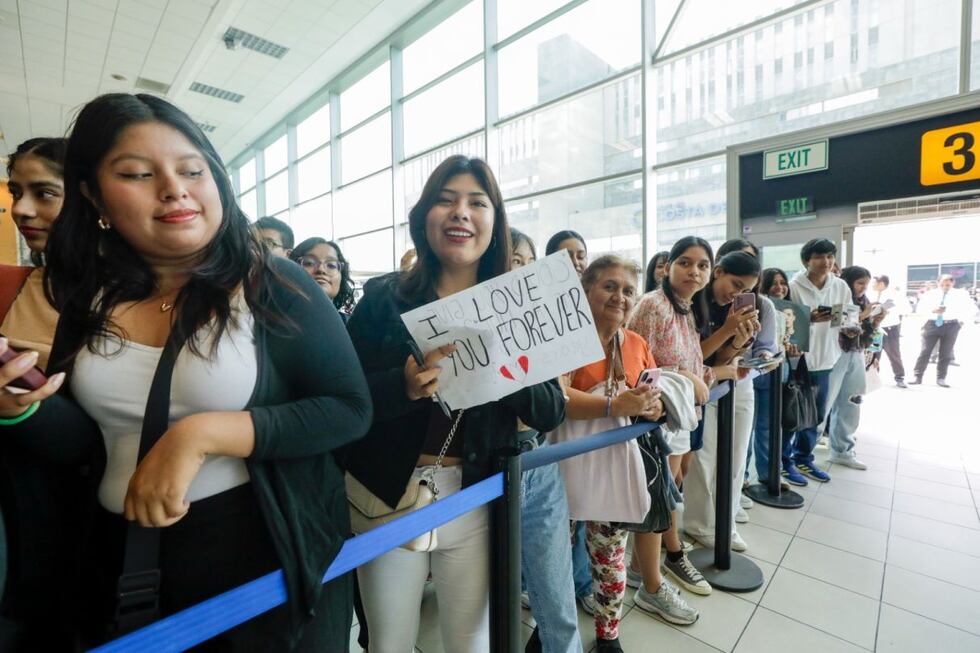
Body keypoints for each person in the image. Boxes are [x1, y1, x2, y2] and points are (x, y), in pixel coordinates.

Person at [0, 93, 373, 650]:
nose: (174, 188)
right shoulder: (88, 295)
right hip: (115, 567)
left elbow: (347, 408)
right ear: (92, 195)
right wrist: (23, 407)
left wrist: (201, 435)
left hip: (254, 571)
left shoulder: (275, 286)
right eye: (137, 174)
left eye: (192, 169)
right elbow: (92, 442)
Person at [345, 155, 565, 653]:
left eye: (476, 203)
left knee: (471, 640)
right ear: (424, 218)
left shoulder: (518, 304)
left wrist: (503, 370)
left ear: (495, 221)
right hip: (386, 496)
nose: (460, 212)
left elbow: (551, 410)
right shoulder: (385, 296)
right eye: (445, 201)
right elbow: (346, 396)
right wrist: (400, 386)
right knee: (388, 641)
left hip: (478, 494)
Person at [560, 255, 688, 653]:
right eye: (609, 286)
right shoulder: (566, 340)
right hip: (561, 467)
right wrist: (616, 406)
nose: (620, 296)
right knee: (556, 558)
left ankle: (608, 636)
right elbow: (555, 398)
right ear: (586, 291)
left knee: (610, 555)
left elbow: (651, 395)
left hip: (615, 468)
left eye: (629, 290)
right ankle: (550, 625)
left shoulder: (635, 343)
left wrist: (653, 407)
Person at [0, 137, 72, 650]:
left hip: (82, 526)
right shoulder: (13, 286)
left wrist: (19, 414)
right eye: (16, 191)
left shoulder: (142, 298)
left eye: (45, 192)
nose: (21, 209)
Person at [627, 236, 718, 598]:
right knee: (660, 494)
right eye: (685, 262)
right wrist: (688, 376)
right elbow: (636, 365)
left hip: (682, 412)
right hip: (658, 414)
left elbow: (692, 358)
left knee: (673, 486)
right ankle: (669, 559)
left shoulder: (686, 306)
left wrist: (705, 374)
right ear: (667, 267)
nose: (693, 271)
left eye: (702, 265)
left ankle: (646, 563)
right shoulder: (653, 305)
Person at [508, 229, 581, 653]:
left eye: (524, 262)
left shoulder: (543, 320)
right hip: (485, 472)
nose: (516, 269)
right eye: (508, 260)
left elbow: (553, 404)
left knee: (556, 592)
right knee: (482, 603)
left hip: (538, 457)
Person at [685, 250, 761, 552]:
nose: (737, 294)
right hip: (698, 391)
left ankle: (723, 525)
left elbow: (722, 358)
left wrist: (738, 341)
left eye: (745, 291)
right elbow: (694, 357)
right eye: (736, 284)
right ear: (717, 271)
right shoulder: (695, 303)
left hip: (724, 387)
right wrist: (728, 330)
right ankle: (699, 524)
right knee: (702, 462)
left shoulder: (733, 309)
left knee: (733, 458)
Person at [544, 229, 593, 614]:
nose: (576, 262)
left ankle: (581, 583)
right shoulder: (542, 307)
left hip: (586, 423)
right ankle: (545, 583)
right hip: (552, 424)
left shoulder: (593, 304)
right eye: (567, 255)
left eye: (581, 255)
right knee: (558, 516)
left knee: (580, 507)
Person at [787, 238, 852, 483]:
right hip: (799, 358)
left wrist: (848, 324)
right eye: (819, 257)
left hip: (827, 357)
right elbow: (789, 323)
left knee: (816, 414)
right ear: (807, 260)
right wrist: (809, 318)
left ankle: (804, 459)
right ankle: (785, 462)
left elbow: (845, 317)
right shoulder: (795, 286)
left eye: (830, 257)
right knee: (792, 412)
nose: (826, 262)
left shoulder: (840, 287)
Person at [751, 268, 805, 487]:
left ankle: (768, 473)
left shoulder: (792, 313)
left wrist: (793, 351)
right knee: (746, 428)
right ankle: (742, 477)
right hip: (751, 371)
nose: (779, 287)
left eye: (783, 282)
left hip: (777, 371)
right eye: (773, 283)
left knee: (768, 426)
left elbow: (791, 344)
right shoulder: (757, 305)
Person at [825, 267, 883, 470]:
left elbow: (865, 335)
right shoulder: (838, 296)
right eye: (859, 283)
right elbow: (834, 324)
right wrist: (862, 315)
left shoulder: (864, 302)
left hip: (856, 353)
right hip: (834, 354)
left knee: (852, 401)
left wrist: (874, 322)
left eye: (866, 284)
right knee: (825, 402)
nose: (863, 288)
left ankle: (842, 450)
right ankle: (803, 452)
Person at [911, 274, 973, 388]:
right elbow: (920, 309)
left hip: (951, 325)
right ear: (938, 283)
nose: (945, 286)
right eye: (943, 284)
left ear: (953, 283)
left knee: (945, 353)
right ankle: (917, 376)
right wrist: (933, 310)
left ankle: (941, 378)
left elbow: (969, 308)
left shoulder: (960, 295)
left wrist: (961, 322)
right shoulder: (930, 294)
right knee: (925, 351)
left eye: (948, 284)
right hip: (932, 324)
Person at [290, 237, 356, 319]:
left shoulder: (353, 326)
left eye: (331, 265)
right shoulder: (274, 322)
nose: (321, 269)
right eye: (309, 263)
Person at [871, 275, 910, 388]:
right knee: (874, 354)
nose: (872, 285)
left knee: (894, 354)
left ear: (881, 283)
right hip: (875, 329)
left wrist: (886, 310)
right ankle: (872, 377)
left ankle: (899, 377)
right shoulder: (871, 294)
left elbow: (906, 309)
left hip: (890, 329)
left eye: (874, 283)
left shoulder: (894, 295)